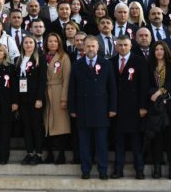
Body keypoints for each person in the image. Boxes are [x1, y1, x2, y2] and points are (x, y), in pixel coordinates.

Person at [68, 36, 117, 180]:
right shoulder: (77, 64)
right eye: (88, 46)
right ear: (83, 47)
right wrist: (72, 108)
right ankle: (86, 170)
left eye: (93, 46)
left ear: (97, 48)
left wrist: (112, 108)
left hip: (101, 110)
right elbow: (72, 88)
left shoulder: (106, 64)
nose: (90, 49)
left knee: (101, 143)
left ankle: (103, 170)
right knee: (84, 143)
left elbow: (112, 88)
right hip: (82, 109)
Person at [109, 36, 149, 180]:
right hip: (117, 109)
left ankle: (139, 170)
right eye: (120, 45)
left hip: (134, 108)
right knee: (118, 142)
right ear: (116, 47)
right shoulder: (111, 62)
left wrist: (143, 106)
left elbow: (144, 86)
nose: (123, 47)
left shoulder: (139, 61)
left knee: (136, 142)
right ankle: (118, 170)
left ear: (131, 46)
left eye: (125, 45)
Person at [146, 41, 171, 179]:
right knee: (157, 138)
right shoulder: (149, 66)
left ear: (166, 51)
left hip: (170, 107)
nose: (159, 52)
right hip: (155, 108)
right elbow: (147, 84)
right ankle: (157, 167)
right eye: (156, 49)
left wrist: (159, 93)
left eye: (161, 49)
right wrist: (155, 94)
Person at [17, 36, 47, 165]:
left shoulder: (40, 59)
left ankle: (38, 153)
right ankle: (29, 152)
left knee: (36, 126)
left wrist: (39, 98)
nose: (28, 45)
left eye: (31, 42)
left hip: (35, 98)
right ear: (22, 45)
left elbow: (42, 80)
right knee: (26, 126)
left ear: (35, 45)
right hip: (23, 98)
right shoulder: (18, 60)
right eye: (26, 43)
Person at [43, 33, 71, 164]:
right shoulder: (42, 57)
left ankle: (61, 154)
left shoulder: (64, 57)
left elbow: (67, 79)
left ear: (59, 43)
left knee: (60, 124)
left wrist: (64, 98)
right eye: (50, 41)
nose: (52, 43)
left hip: (58, 92)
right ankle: (49, 153)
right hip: (45, 92)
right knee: (47, 124)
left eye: (55, 41)